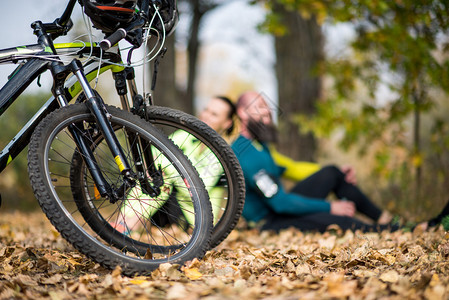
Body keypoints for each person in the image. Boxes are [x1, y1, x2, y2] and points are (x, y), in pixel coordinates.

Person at [231, 91, 399, 233]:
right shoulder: (245, 153)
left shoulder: (260, 146)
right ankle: (390, 231)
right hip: (270, 222)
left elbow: (292, 168)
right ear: (243, 113)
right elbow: (280, 204)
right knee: (338, 220)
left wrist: (339, 171)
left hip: (279, 208)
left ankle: (386, 219)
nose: (267, 111)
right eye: (260, 106)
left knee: (332, 173)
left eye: (267, 106)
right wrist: (329, 207)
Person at [114, 96, 237, 233]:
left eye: (214, 114)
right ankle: (124, 223)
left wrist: (166, 169)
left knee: (162, 177)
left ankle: (125, 225)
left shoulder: (224, 152)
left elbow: (199, 188)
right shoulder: (184, 135)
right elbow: (153, 156)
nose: (206, 116)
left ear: (227, 123)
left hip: (194, 215)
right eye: (206, 110)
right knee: (157, 176)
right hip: (170, 203)